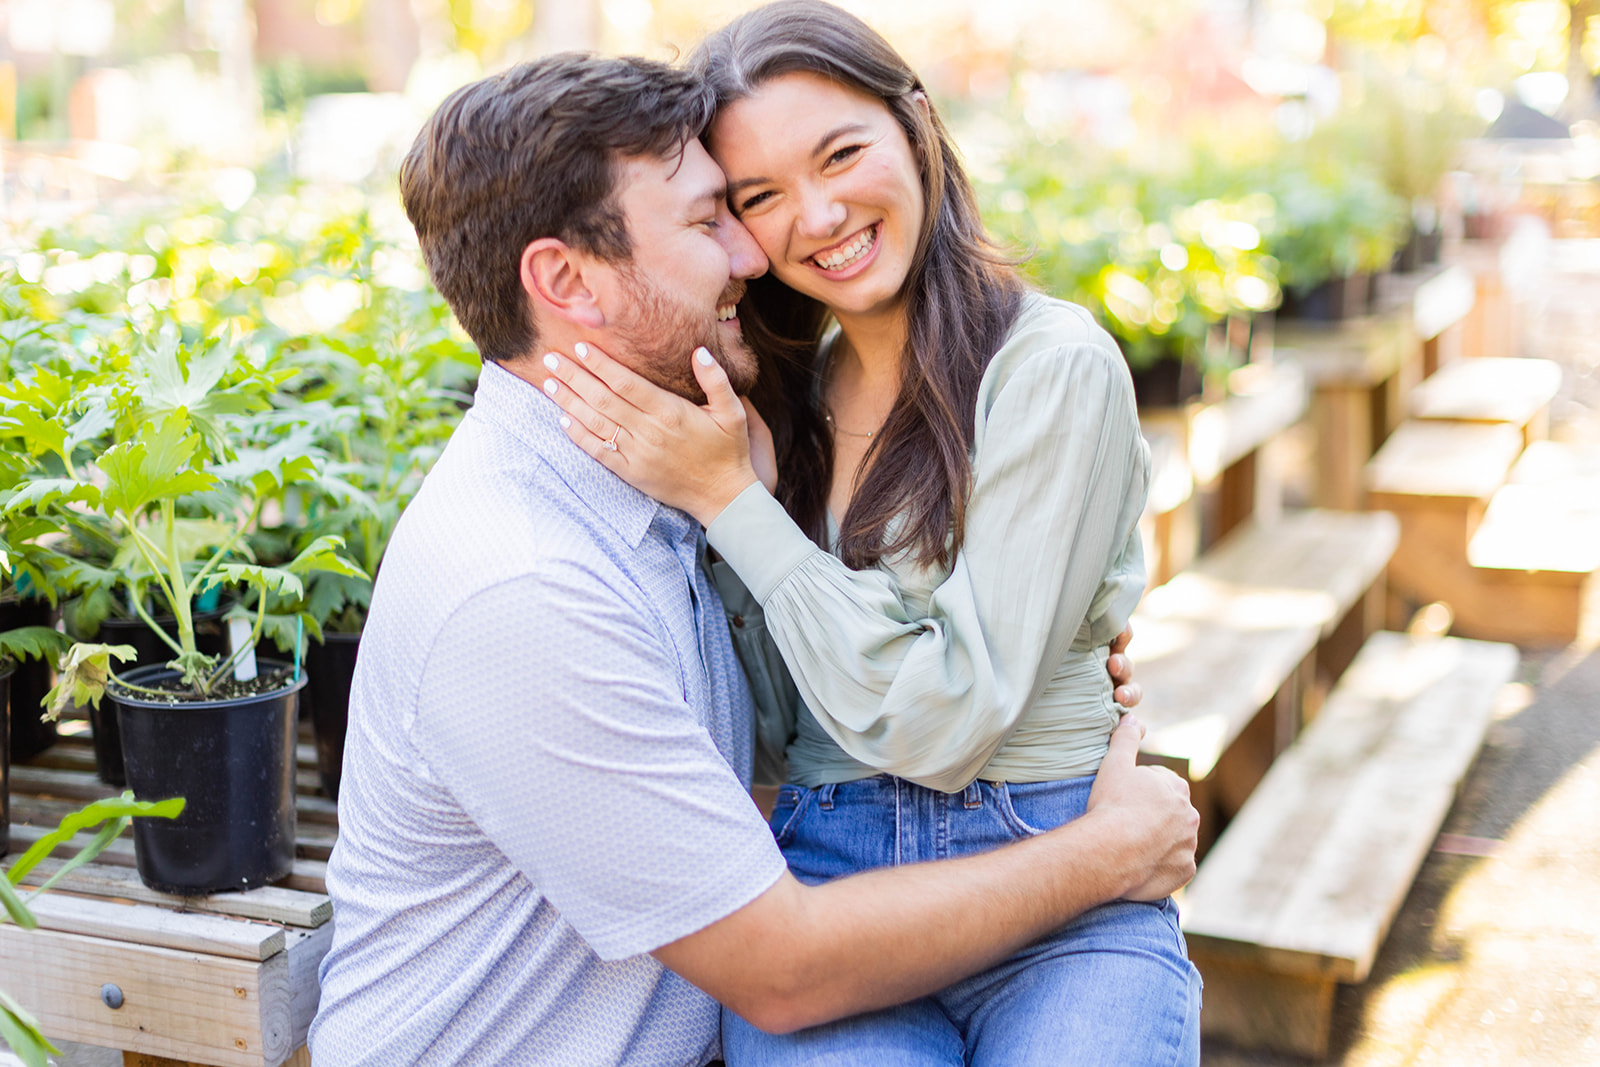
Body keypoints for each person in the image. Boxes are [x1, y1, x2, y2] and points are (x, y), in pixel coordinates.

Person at [309, 51, 1198, 1067]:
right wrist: (1102, 851)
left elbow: (821, 718)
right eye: (714, 216)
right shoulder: (522, 584)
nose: (754, 248)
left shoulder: (679, 461)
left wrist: (1057, 643)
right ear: (564, 279)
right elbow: (785, 966)